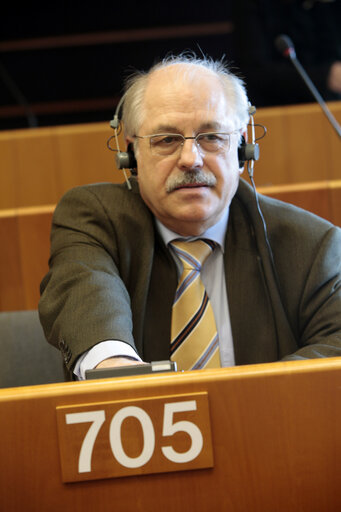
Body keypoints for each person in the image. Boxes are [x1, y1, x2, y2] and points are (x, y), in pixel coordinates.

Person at [38, 54, 341, 380]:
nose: (190, 159)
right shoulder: (95, 218)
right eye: (166, 140)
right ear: (131, 156)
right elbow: (85, 289)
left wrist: (239, 405)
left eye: (211, 137)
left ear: (242, 149)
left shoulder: (312, 245)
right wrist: (114, 370)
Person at [231, 0, 341, 107]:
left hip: (331, 104)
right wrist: (325, 76)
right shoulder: (254, 5)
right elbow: (254, 71)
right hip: (275, 108)